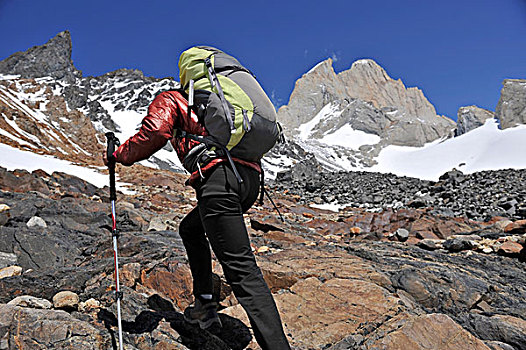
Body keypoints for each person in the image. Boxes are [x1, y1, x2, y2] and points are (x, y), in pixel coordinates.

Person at [102, 88, 291, 350]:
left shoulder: (170, 98)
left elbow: (156, 131)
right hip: (248, 182)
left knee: (242, 271)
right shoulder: (218, 105)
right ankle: (205, 304)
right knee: (190, 229)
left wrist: (119, 154)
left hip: (220, 181)